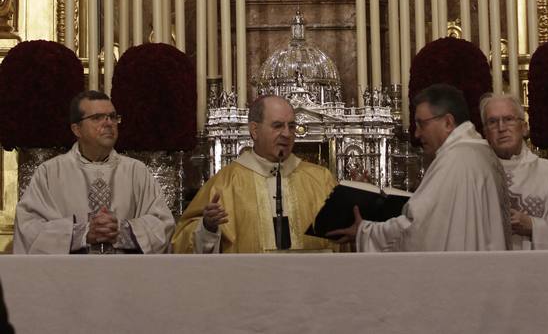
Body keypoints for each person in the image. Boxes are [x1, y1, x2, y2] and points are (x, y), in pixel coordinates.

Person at [329, 83, 511, 251]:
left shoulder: (454, 160)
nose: (417, 133)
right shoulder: (481, 152)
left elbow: (418, 229)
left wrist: (365, 231)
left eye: (421, 124)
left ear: (448, 122)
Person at [13, 89, 175, 254]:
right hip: (68, 276)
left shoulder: (136, 171)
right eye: (97, 118)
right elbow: (28, 227)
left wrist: (123, 231)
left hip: (126, 274)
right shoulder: (50, 172)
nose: (109, 123)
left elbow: (162, 223)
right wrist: (82, 233)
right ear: (77, 129)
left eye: (112, 117)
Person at [172, 95, 336, 253]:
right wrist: (207, 227)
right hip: (247, 278)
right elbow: (181, 243)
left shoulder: (320, 179)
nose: (287, 134)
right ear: (254, 130)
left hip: (311, 278)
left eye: (291, 126)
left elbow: (346, 241)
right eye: (278, 126)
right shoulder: (226, 183)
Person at [481, 92, 548, 249]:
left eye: (508, 119)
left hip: (539, 270)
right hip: (488, 269)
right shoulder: (477, 175)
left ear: (524, 128)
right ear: (485, 133)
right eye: (493, 122)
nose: (501, 128)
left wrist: (533, 226)